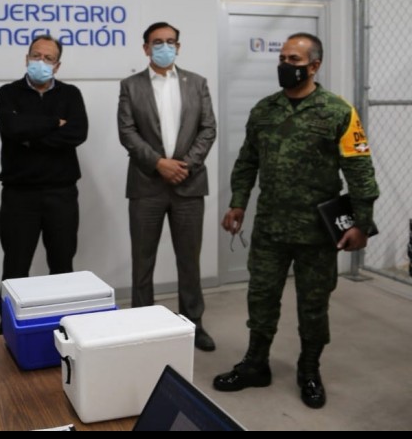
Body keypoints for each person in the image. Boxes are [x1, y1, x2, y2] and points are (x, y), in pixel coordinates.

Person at [213, 32, 380, 409]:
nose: (285, 66)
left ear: (314, 66)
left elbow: (359, 170)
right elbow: (247, 161)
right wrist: (238, 202)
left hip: (316, 233)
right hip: (270, 228)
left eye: (294, 60)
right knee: (261, 298)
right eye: (282, 59)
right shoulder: (264, 110)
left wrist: (361, 223)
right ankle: (256, 364)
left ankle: (309, 370)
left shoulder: (338, 111)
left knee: (313, 305)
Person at [117, 22, 217, 351]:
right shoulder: (131, 86)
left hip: (189, 184)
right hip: (146, 185)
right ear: (146, 48)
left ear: (178, 46)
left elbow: (208, 128)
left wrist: (185, 165)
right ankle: (143, 326)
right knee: (142, 261)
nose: (164, 47)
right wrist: (159, 163)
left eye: (170, 41)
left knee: (189, 261)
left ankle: (193, 323)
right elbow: (127, 132)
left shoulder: (197, 83)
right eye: (157, 42)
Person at [0, 35, 88, 331]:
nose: (41, 62)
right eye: (36, 56)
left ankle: (63, 327)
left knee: (62, 266)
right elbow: (11, 129)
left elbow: (77, 133)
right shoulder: (7, 93)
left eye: (48, 58)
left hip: (61, 194)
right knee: (15, 267)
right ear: (26, 59)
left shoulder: (71, 94)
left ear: (57, 65)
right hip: (19, 196)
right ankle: (8, 329)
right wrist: (53, 123)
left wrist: (30, 136)